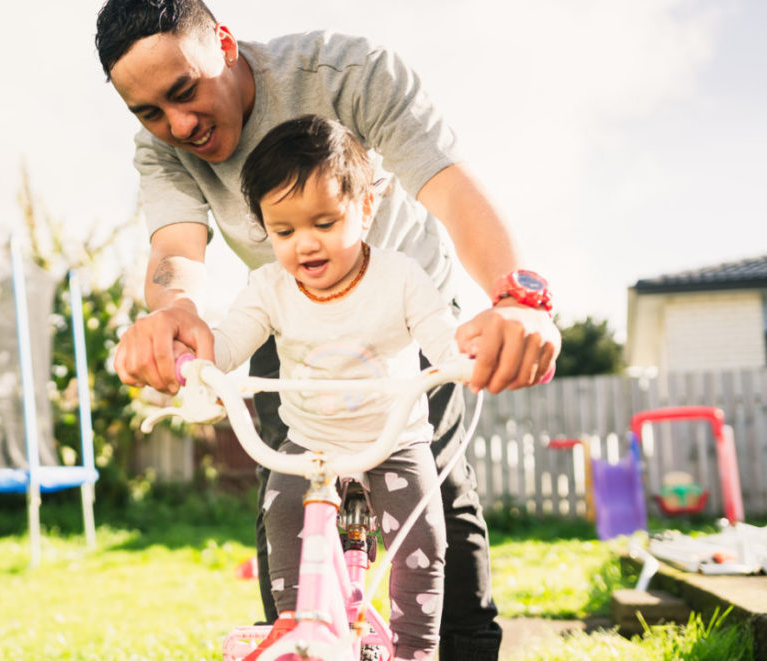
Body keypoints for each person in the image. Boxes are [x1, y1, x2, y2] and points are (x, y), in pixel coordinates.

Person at [95, 2, 561, 658]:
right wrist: (173, 313)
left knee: (435, 499)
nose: (177, 124)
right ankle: (302, 636)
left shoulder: (349, 73)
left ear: (225, 45)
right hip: (289, 322)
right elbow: (176, 250)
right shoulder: (162, 146)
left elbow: (451, 189)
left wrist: (515, 299)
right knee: (285, 495)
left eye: (184, 91)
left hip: (403, 321)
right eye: (148, 112)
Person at [209, 114, 456, 660]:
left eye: (324, 222)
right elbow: (225, 345)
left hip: (393, 440)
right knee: (281, 514)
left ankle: (416, 650)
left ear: (367, 208)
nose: (305, 245)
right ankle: (299, 634)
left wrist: (465, 359)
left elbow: (443, 339)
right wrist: (195, 364)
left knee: (424, 544)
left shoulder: (400, 277)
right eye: (284, 231)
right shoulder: (269, 287)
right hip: (310, 443)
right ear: (264, 227)